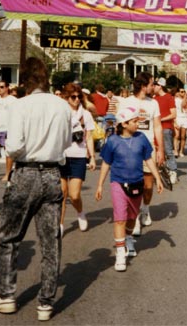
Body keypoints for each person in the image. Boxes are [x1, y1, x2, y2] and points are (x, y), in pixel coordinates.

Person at [0, 57, 72, 322]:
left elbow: (13, 147)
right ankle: (45, 301)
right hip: (52, 174)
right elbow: (66, 142)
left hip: (25, 172)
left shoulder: (20, 106)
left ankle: (6, 295)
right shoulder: (63, 106)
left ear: (25, 80)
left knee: (10, 237)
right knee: (50, 241)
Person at [95, 106, 164, 271]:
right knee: (120, 218)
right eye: (134, 121)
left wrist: (157, 178)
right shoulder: (112, 141)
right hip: (118, 183)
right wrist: (99, 185)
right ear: (124, 124)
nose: (137, 124)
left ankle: (128, 237)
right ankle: (120, 254)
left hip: (137, 183)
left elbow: (148, 159)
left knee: (132, 217)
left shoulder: (141, 139)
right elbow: (106, 163)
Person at [118, 72, 163, 236]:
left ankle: (146, 208)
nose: (154, 87)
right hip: (130, 146)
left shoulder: (154, 103)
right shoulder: (126, 102)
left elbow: (158, 126)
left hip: (148, 146)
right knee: (134, 185)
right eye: (152, 84)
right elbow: (120, 124)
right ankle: (135, 218)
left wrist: (161, 150)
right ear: (144, 86)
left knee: (148, 186)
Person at [59, 82, 97, 235]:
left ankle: (80, 212)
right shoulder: (60, 113)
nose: (76, 100)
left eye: (78, 97)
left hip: (79, 156)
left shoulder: (85, 114)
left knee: (74, 195)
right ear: (66, 98)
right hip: (61, 155)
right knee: (61, 193)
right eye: (73, 97)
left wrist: (92, 157)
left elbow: (89, 137)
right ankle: (60, 225)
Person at [154, 77, 178, 184]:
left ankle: (172, 171)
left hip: (166, 128)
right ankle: (159, 171)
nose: (153, 87)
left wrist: (160, 119)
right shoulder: (154, 99)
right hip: (155, 129)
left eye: (155, 85)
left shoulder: (168, 97)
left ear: (160, 86)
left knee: (168, 150)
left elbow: (173, 114)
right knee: (156, 150)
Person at [174, 88, 187, 158]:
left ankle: (181, 151)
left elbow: (186, 108)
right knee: (177, 135)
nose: (183, 93)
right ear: (179, 92)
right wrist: (174, 121)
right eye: (181, 92)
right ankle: (175, 151)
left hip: (185, 118)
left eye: (184, 92)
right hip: (178, 118)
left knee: (183, 136)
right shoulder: (176, 100)